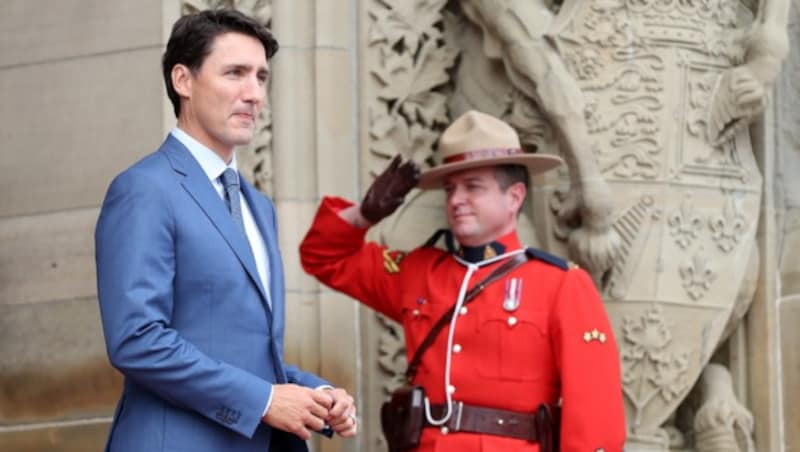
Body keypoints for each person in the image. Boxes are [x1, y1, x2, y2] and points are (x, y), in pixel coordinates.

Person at [95, 9, 355, 452]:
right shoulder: (144, 189)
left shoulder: (258, 206)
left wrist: (315, 393)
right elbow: (137, 340)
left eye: (261, 77)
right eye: (235, 73)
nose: (253, 93)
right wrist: (264, 400)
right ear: (183, 80)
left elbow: (243, 349)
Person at [300, 110, 626, 451]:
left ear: (514, 196)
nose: (456, 200)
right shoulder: (420, 273)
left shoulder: (561, 284)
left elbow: (594, 415)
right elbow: (323, 257)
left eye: (473, 188)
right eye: (451, 189)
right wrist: (364, 215)